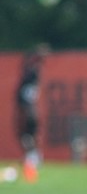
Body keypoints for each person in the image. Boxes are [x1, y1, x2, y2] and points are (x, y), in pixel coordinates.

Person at [14, 45, 48, 183]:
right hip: (26, 108)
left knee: (27, 135)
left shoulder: (33, 74)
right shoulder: (32, 73)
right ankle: (32, 157)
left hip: (27, 109)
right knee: (27, 135)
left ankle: (33, 157)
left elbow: (28, 95)